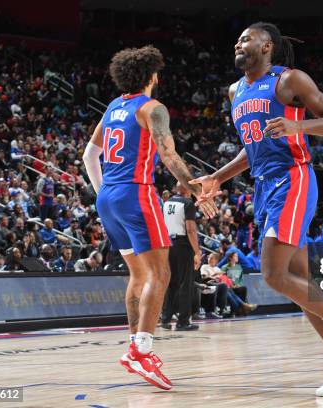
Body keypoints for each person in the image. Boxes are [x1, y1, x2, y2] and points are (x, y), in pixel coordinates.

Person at [190, 22, 323, 397]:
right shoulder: (235, 91)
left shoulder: (290, 80)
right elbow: (250, 147)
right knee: (299, 282)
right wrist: (217, 178)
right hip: (264, 186)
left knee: (273, 274)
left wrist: (296, 127)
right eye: (237, 38)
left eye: (246, 38)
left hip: (294, 178)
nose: (239, 42)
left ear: (267, 45)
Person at [82, 45, 217, 390]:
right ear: (152, 76)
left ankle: (133, 347)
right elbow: (169, 155)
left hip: (109, 198)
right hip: (135, 194)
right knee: (161, 272)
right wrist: (195, 187)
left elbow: (89, 155)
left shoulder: (113, 107)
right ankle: (142, 350)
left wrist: (102, 193)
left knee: (139, 275)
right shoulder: (152, 108)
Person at [161, 182, 202, 331]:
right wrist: (197, 251)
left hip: (168, 244)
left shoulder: (166, 203)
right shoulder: (188, 203)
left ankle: (165, 318)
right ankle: (183, 321)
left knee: (171, 283)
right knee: (186, 283)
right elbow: (190, 229)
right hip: (183, 244)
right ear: (186, 189)